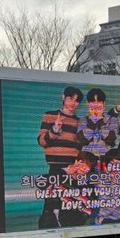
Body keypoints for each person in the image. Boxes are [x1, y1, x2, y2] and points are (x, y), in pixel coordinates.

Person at [36, 85, 83, 228]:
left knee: (70, 205)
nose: (72, 103)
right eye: (70, 98)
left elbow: (81, 147)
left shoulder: (80, 122)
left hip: (73, 169)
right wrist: (55, 129)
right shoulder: (50, 115)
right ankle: (47, 233)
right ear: (63, 97)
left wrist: (77, 167)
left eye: (76, 101)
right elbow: (41, 141)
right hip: (55, 168)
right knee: (51, 204)